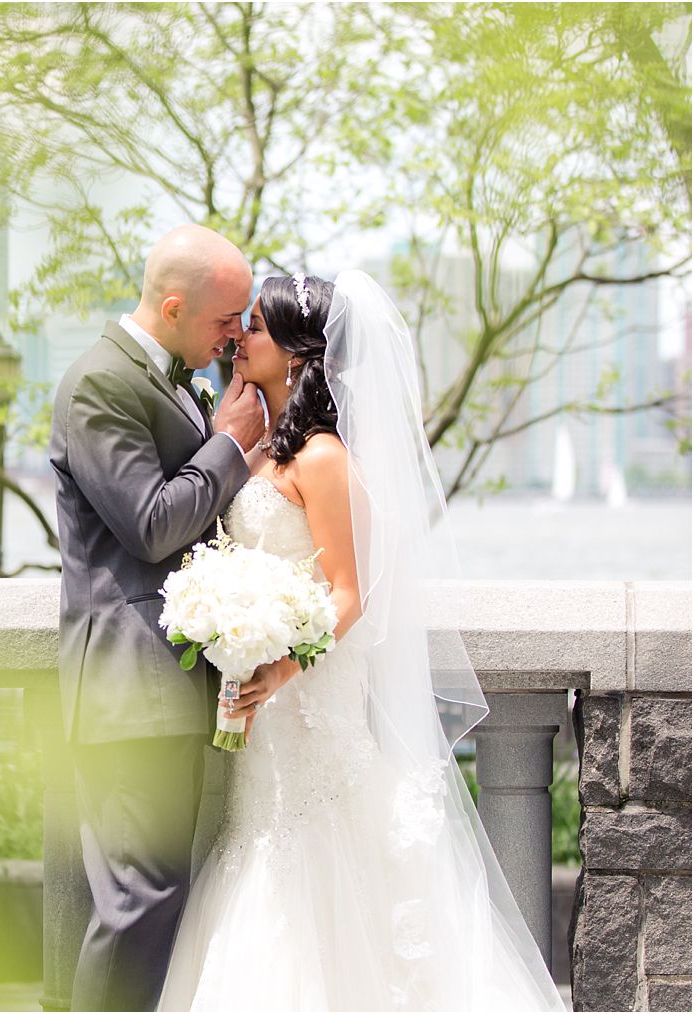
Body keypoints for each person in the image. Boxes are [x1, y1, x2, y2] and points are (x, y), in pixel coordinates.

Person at [156, 270, 565, 1011]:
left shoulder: (322, 457)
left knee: (327, 866)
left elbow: (348, 593)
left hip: (309, 700)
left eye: (255, 326)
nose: (239, 337)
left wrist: (282, 666)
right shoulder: (255, 451)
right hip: (262, 710)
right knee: (261, 851)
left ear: (299, 353)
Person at [48, 223, 267, 1012]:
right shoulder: (100, 385)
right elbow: (149, 523)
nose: (237, 337)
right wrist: (230, 445)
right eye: (225, 320)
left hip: (164, 683)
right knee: (138, 900)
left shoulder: (175, 377)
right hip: (127, 685)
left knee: (157, 896)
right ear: (173, 307)